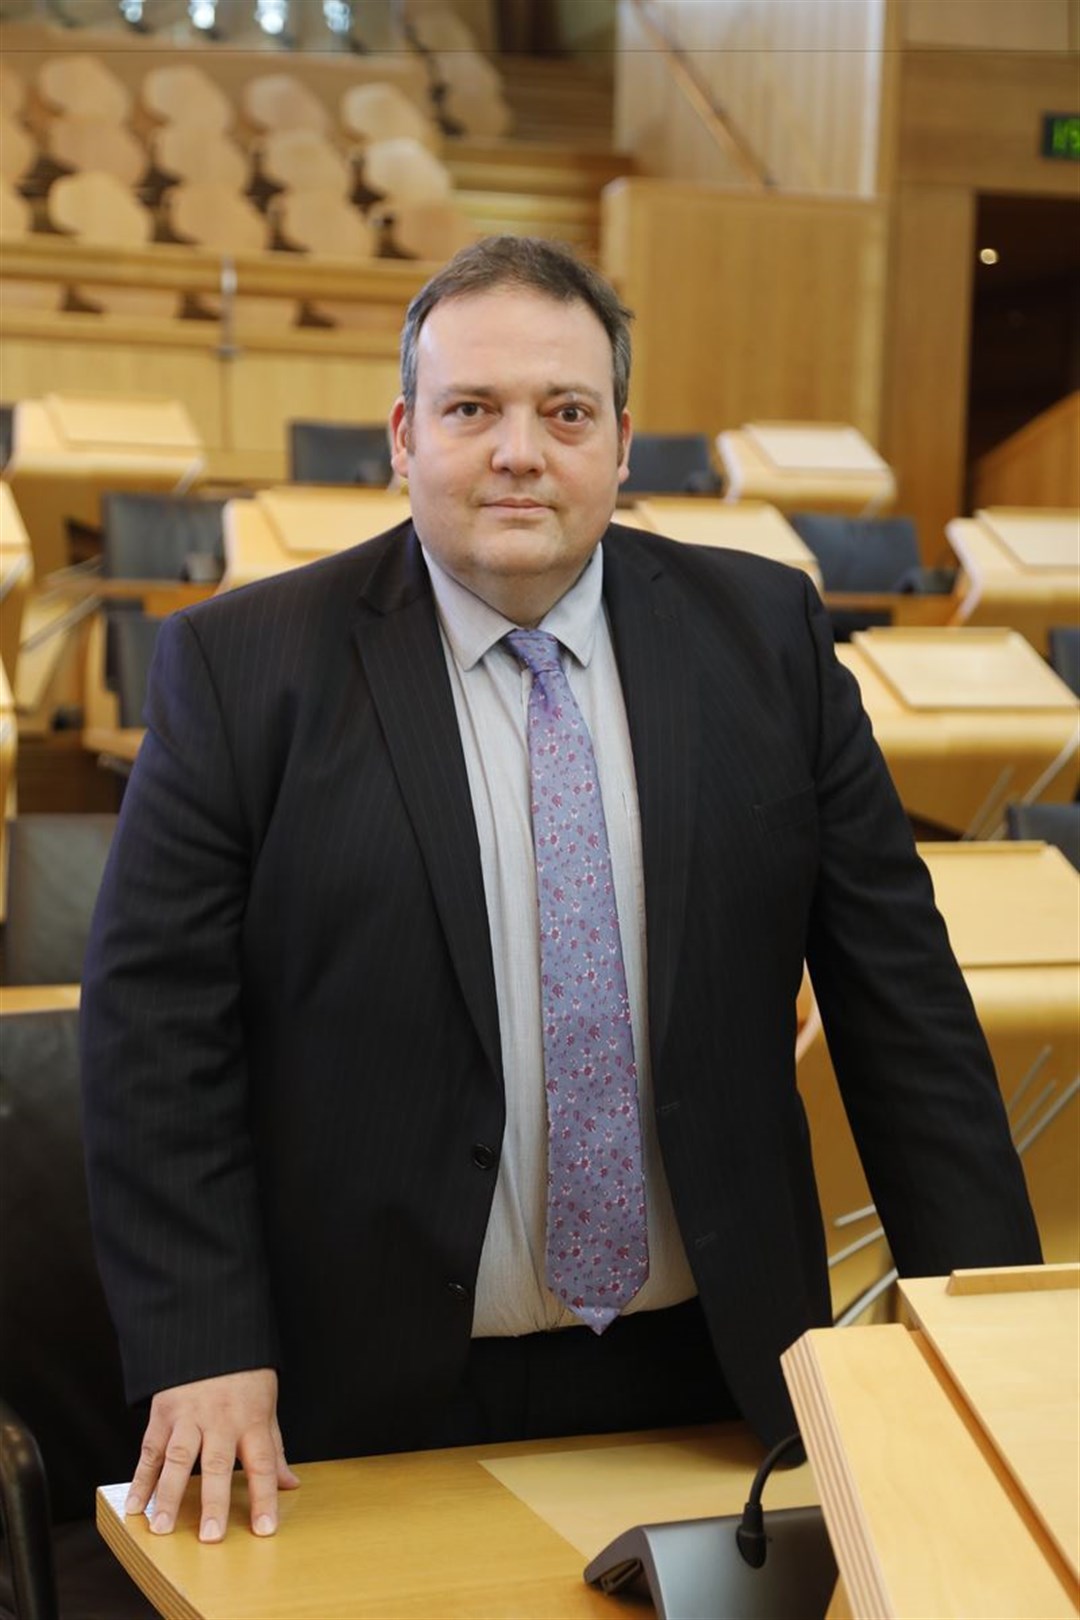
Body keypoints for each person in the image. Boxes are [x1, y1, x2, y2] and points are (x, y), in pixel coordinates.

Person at [80, 235, 1041, 1546]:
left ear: (624, 442)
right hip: (357, 1396)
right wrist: (202, 1342)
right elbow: (153, 1030)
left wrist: (994, 1335)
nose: (519, 450)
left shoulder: (768, 639)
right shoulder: (246, 671)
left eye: (565, 412)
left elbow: (905, 1011)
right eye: (474, 409)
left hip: (714, 1376)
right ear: (405, 436)